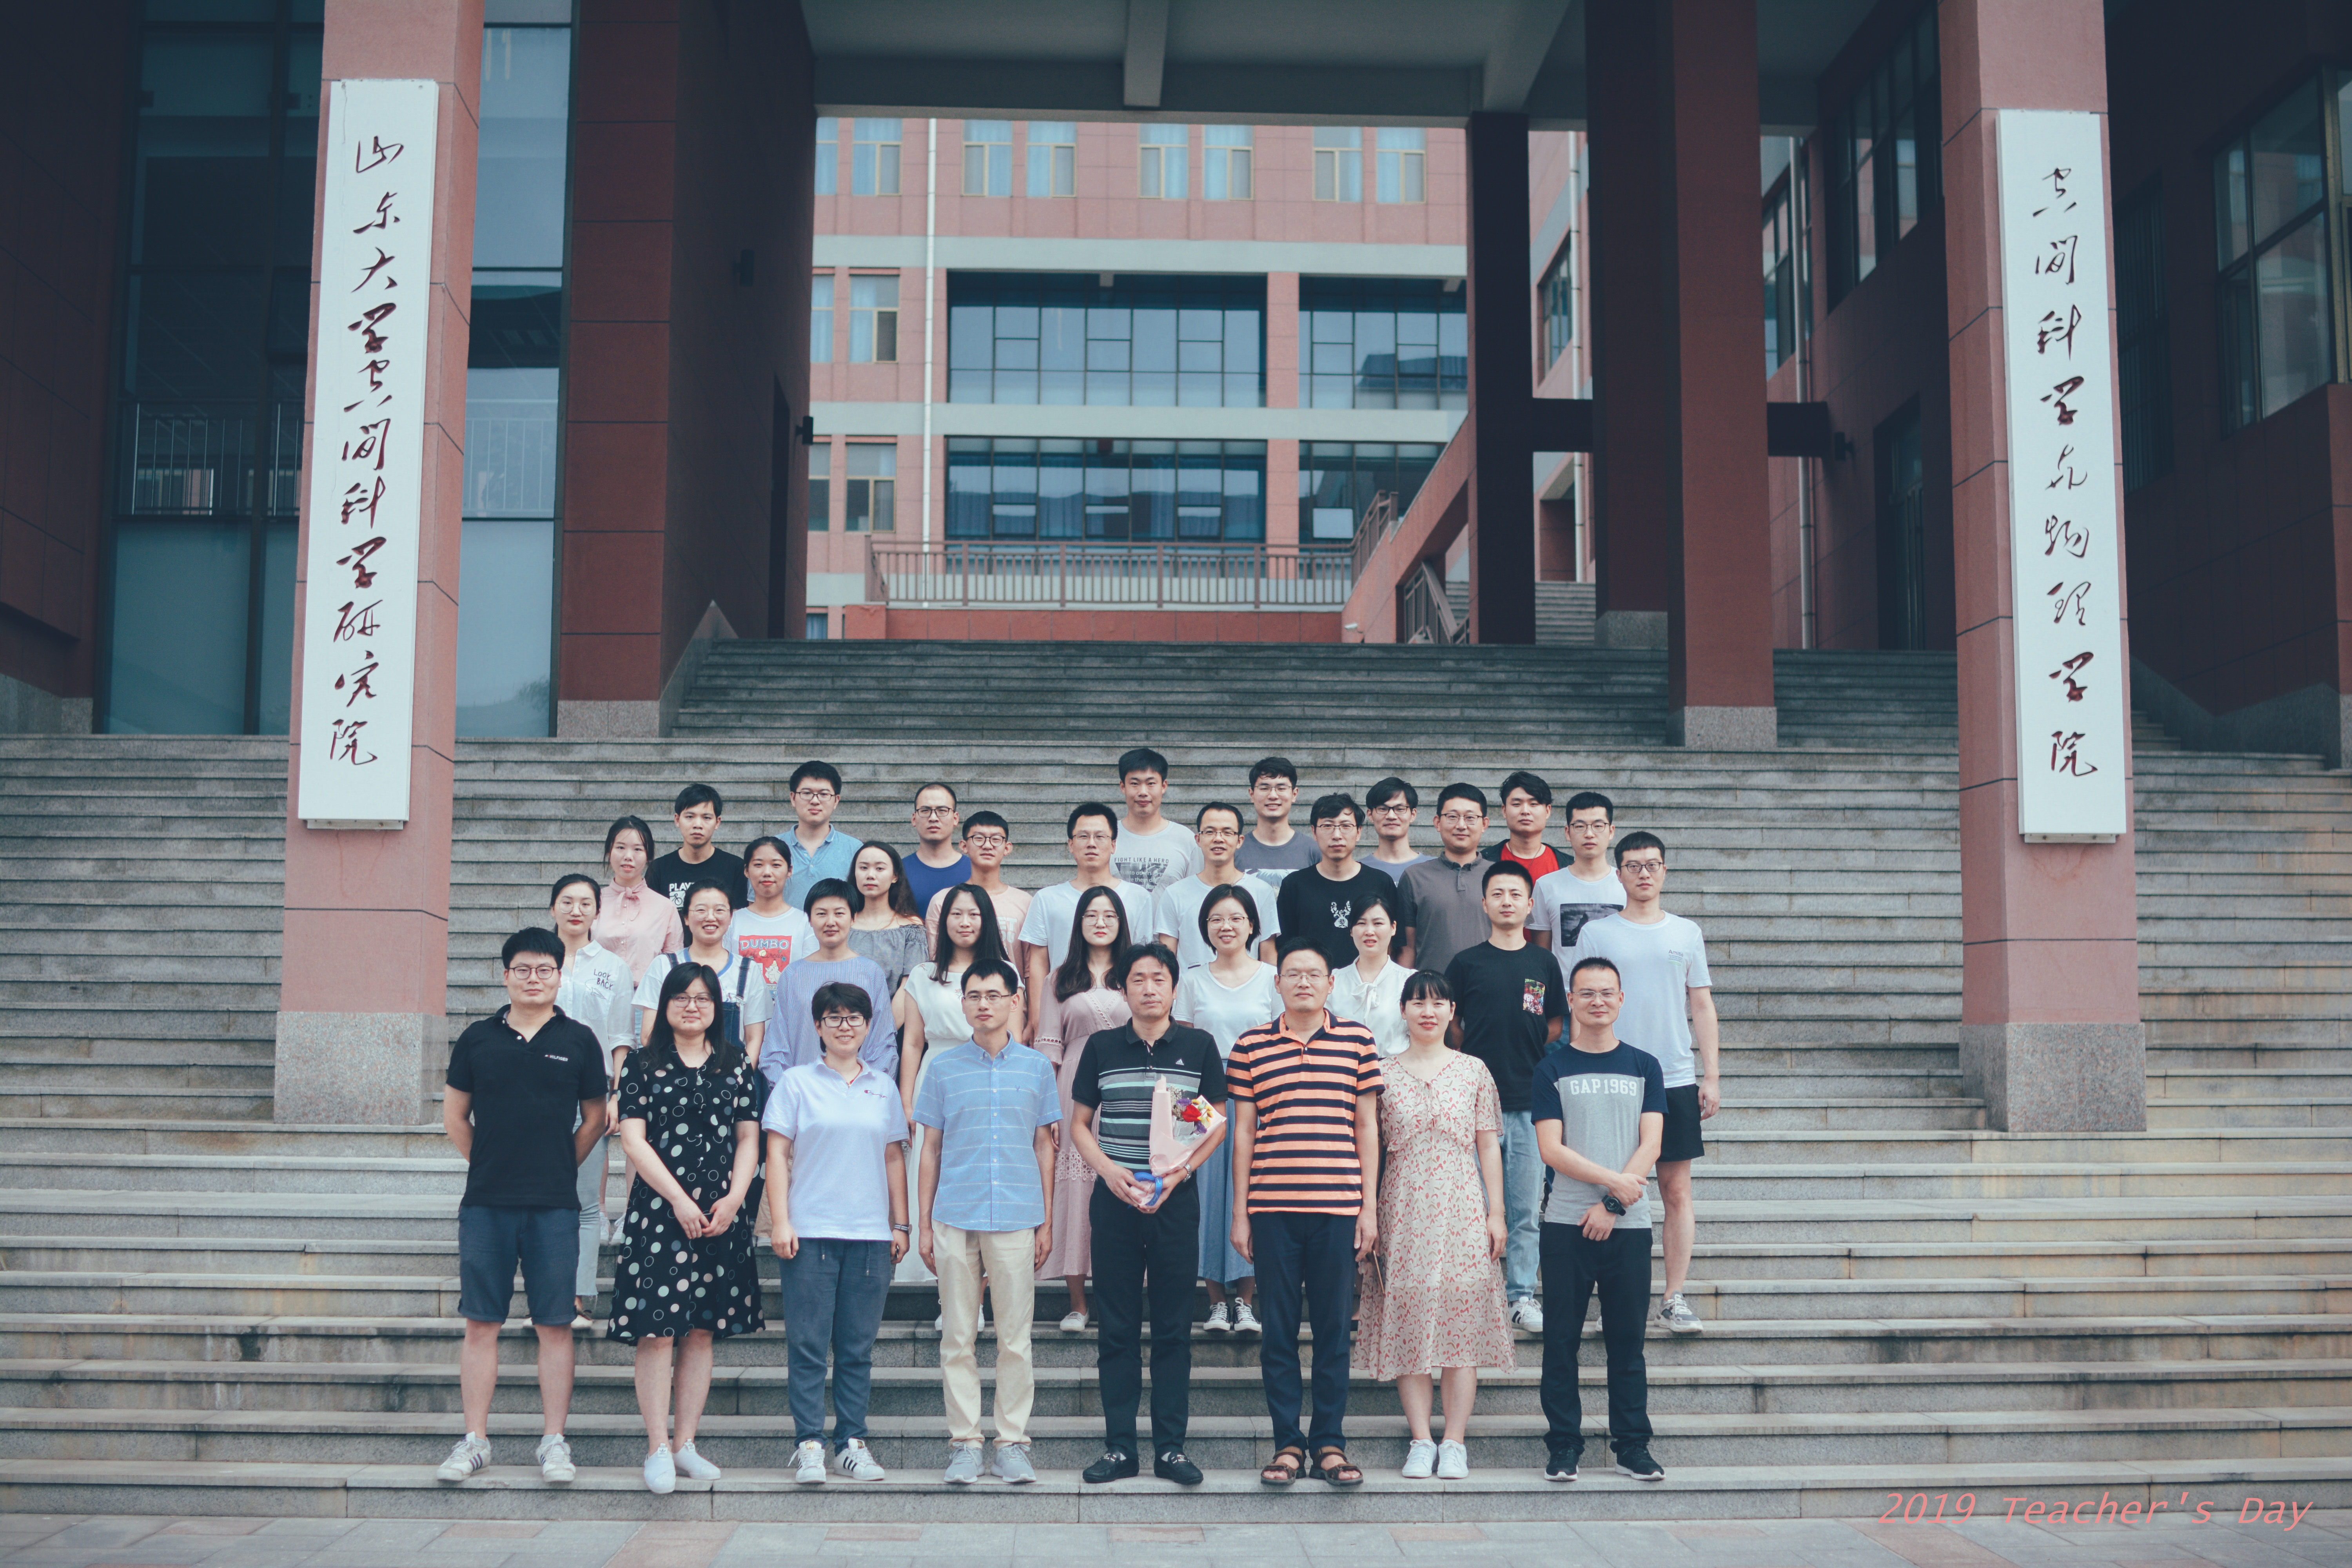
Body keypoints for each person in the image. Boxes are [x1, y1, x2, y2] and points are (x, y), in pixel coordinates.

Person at [435, 928, 608, 1486]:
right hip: (487, 1202)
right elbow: (455, 1117)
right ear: (505, 974)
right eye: (524, 969)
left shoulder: (579, 1039)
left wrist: (559, 1164)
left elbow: (596, 1118)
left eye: (545, 970)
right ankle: (475, 1440)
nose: (534, 979)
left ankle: (554, 1441)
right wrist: (489, 1162)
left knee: (555, 1324)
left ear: (560, 975)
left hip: (554, 1205)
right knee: (481, 1322)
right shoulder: (477, 1038)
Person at [1067, 941, 1227, 1487]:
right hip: (1115, 1202)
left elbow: (1213, 1122)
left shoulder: (1197, 1046)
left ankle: (1170, 1449)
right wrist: (1111, 1173)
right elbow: (1080, 1125)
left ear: (1175, 987)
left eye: (1159, 978)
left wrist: (1180, 1173)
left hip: (1175, 1202)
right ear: (1123, 988)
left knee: (1173, 1328)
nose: (1150, 988)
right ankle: (1119, 1448)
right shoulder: (1103, 1047)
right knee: (1116, 1327)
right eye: (1138, 979)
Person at [1227, 939, 1383, 1489]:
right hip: (1272, 1208)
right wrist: (1241, 1212)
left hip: (1338, 1208)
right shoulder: (1251, 1045)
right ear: (1277, 983)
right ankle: (1288, 1445)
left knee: (1335, 1330)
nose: (1303, 982)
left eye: (1314, 974)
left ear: (1331, 983)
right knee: (1279, 1331)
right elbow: (1244, 1133)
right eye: (1292, 973)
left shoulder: (1358, 1041)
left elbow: (1367, 1126)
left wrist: (1369, 1208)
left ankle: (1330, 1444)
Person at [608, 963, 766, 1493]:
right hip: (660, 1213)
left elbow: (749, 1137)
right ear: (666, 1004)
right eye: (681, 997)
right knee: (657, 1332)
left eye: (703, 998)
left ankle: (686, 1444)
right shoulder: (642, 1063)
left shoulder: (735, 1061)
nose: (692, 1006)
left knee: (701, 1330)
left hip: (722, 1212)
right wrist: (677, 1199)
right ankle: (657, 1445)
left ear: (718, 1007)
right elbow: (634, 1139)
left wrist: (736, 1198)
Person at [1354, 971, 1514, 1480]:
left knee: (1461, 1322)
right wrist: (1368, 1211)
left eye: (1438, 1003)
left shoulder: (1473, 1071)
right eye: (1418, 1003)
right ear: (1403, 1011)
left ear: (1451, 1012)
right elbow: (1370, 1145)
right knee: (1409, 1319)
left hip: (1462, 1204)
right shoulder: (1381, 1073)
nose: (1428, 1011)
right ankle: (1421, 1439)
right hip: (1402, 1206)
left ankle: (1455, 1442)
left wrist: (1496, 1212)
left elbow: (1488, 1143)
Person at [1562, 830, 1718, 1336]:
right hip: (1610, 1074)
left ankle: (1673, 1296)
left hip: (1673, 1075)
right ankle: (1609, 1298)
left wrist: (1711, 1074)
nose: (1644, 873)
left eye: (1653, 864)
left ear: (1665, 871)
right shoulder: (1598, 934)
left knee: (1676, 1189)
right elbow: (1581, 1002)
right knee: (1606, 1180)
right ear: (1620, 873)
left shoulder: (1686, 932)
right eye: (1634, 865)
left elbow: (1701, 1004)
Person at [915, 958, 1061, 1486]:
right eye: (974, 995)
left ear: (1015, 1000)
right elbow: (930, 1149)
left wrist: (1046, 1221)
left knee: (1015, 1338)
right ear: (963, 1003)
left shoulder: (1037, 1068)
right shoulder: (943, 1068)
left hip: (1018, 1214)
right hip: (956, 1213)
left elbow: (1045, 1145)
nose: (984, 1004)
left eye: (994, 995)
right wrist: (924, 1225)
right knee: (958, 1335)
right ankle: (965, 1443)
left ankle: (1012, 1442)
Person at [764, 980, 910, 1484]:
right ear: (818, 1026)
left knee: (856, 1348)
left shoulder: (883, 1086)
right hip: (810, 1233)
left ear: (868, 1027)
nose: (845, 1026)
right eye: (834, 1017)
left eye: (854, 1018)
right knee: (808, 1345)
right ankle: (809, 1443)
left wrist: (901, 1223)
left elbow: (893, 1156)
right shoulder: (796, 1083)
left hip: (870, 1235)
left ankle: (851, 1442)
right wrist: (781, 1220)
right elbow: (777, 1154)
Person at [1532, 955, 1667, 1483]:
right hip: (1566, 1224)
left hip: (1628, 1227)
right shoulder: (1552, 1068)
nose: (1598, 1001)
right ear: (1571, 1000)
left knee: (1627, 1344)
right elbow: (1551, 1149)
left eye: (1607, 992)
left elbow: (1651, 1143)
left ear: (1621, 999)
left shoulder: (1644, 1066)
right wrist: (1614, 1185)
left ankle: (1633, 1447)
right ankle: (1564, 1446)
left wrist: (1612, 1205)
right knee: (1561, 1342)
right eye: (1587, 993)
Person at [1442, 860, 1565, 1332]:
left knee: (1525, 1209)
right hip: (1475, 1106)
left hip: (1530, 1102)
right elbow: (1454, 1025)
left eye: (1516, 894)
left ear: (1530, 905)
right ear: (1484, 903)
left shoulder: (1543, 963)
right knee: (1473, 1208)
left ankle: (1521, 1296)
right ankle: (1476, 1293)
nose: (1507, 901)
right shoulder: (1466, 962)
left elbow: (1554, 1023)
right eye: (1498, 894)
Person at [894, 883, 1013, 1292]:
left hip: (990, 1078)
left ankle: (974, 1295)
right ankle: (937, 1281)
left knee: (980, 1176)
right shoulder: (924, 974)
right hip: (936, 1074)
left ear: (987, 920)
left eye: (974, 914)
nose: (965, 922)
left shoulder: (1004, 972)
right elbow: (913, 1042)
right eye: (956, 914)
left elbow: (1014, 1039)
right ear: (943, 922)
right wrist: (906, 1101)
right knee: (933, 1170)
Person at [1172, 882, 1278, 1336]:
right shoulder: (1192, 978)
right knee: (1208, 1194)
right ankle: (1216, 1300)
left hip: (1260, 1095)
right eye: (1216, 919)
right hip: (1204, 1097)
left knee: (1251, 1192)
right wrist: (1183, 1115)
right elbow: (1183, 1046)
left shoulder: (1272, 977)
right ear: (1205, 928)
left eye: (1236, 918)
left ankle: (1246, 1301)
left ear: (1252, 925)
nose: (1226, 926)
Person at [1033, 886, 1134, 1332]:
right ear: (1078, 923)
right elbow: (1048, 1050)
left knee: (1121, 1178)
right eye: (1091, 914)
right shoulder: (1060, 977)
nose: (1100, 922)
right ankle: (1077, 1302)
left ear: (1121, 923)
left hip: (1126, 1086)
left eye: (1109, 915)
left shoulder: (1134, 972)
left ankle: (1119, 1298)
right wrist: (1048, 1112)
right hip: (1073, 1088)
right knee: (1075, 1190)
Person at [549, 873, 634, 1326]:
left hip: (591, 1093)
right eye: (567, 901)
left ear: (598, 911)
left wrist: (616, 1094)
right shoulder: (537, 962)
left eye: (585, 902)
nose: (576, 910)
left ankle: (581, 1298)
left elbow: (621, 1037)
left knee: (584, 1202)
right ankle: (548, 1297)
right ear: (553, 908)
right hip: (540, 1091)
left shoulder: (613, 968)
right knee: (544, 1200)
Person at [1018, 802, 1156, 1038]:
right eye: (1083, 836)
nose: (1092, 843)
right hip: (1065, 1006)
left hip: (1122, 1007)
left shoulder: (1138, 897)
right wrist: (1037, 1017)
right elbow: (1038, 962)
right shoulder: (1047, 898)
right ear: (1071, 845)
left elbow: (1142, 957)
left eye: (1100, 837)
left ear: (1114, 845)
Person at [760, 880, 898, 1093]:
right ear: (810, 919)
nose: (831, 922)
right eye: (822, 914)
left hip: (858, 1095)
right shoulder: (792, 975)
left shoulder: (871, 973)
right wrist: (789, 1092)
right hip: (802, 1095)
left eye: (839, 913)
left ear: (853, 918)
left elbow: (883, 1044)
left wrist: (865, 1092)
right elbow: (777, 1045)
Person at [635, 881, 771, 1055]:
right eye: (701, 910)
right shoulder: (664, 966)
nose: (711, 917)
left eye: (719, 910)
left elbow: (755, 1039)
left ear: (731, 917)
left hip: (731, 1071)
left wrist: (740, 1073)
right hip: (672, 1070)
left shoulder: (748, 970)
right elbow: (648, 1036)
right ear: (686, 917)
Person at [1272, 793, 1396, 973]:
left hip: (1369, 983)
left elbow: (1394, 945)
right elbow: (1285, 946)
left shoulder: (1381, 883)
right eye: (1328, 826)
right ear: (1314, 832)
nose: (1337, 835)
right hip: (1312, 983)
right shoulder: (1294, 885)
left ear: (1359, 832)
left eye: (1346, 826)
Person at [1153, 801, 1284, 971]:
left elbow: (1268, 956)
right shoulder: (1175, 894)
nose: (1218, 839)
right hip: (1191, 987)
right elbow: (1167, 961)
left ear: (1240, 841)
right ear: (1198, 839)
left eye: (1228, 832)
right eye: (1210, 832)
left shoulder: (1261, 891)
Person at [1397, 783, 1494, 975]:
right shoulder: (1415, 877)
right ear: (1437, 823)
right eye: (1452, 817)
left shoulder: (1500, 876)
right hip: (1432, 990)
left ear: (1484, 824)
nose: (1461, 825)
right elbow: (1408, 949)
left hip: (1488, 986)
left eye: (1470, 818)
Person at [923, 810, 1031, 953]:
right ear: (964, 846)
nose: (987, 846)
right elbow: (935, 957)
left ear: (1007, 848)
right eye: (979, 838)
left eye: (996, 839)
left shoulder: (1025, 903)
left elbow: (1031, 963)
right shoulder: (942, 901)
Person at [1529, 791, 1625, 951]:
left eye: (1598, 826)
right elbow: (1542, 956)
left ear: (1611, 831)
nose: (1589, 834)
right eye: (1580, 826)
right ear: (1568, 833)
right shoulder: (1546, 886)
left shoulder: (1626, 885)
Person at [593, 815, 682, 984]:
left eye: (638, 849)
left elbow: (673, 965)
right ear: (609, 852)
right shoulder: (593, 902)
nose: (628, 856)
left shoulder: (665, 907)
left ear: (648, 856)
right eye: (620, 847)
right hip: (598, 994)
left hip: (647, 996)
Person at [1111, 746, 1203, 895]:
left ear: (1164, 786)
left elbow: (1196, 895)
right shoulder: (1106, 837)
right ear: (1123, 787)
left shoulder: (1186, 840)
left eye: (1151, 784)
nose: (1143, 792)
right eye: (1135, 784)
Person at [846, 841, 931, 1000]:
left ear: (895, 876)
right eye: (864, 868)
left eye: (880, 869)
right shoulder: (843, 924)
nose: (870, 875)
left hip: (895, 1014)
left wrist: (886, 1018)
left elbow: (910, 986)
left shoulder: (911, 928)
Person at [1330, 889, 1409, 1056]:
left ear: (1393, 928)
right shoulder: (1333, 982)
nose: (1369, 931)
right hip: (1344, 1068)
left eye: (1378, 923)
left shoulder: (1410, 981)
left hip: (1396, 1070)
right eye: (1361, 923)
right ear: (1351, 930)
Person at [647, 784, 746, 916]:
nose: (698, 825)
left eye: (706, 818)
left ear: (717, 822)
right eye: (690, 817)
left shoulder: (736, 868)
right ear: (677, 820)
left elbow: (739, 919)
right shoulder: (658, 869)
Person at [728, 835, 812, 988]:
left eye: (776, 865)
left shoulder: (806, 922)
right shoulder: (731, 922)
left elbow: (810, 977)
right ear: (747, 871)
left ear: (790, 870)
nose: (767, 872)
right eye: (758, 865)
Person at [1235, 755, 1315, 905]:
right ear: (1252, 794)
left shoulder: (1314, 851)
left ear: (1294, 794)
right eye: (1264, 788)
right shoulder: (1235, 851)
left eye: (1281, 788)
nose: (1273, 795)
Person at [780, 761, 860, 909]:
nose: (815, 801)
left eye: (824, 794)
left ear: (836, 801)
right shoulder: (772, 848)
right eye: (807, 793)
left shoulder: (856, 850)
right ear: (793, 798)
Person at [903, 782, 971, 914]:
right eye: (925, 811)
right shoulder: (897, 871)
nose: (933, 818)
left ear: (955, 818)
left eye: (942, 811)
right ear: (914, 819)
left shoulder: (974, 870)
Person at [1483, 770, 1561, 880]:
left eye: (1533, 804)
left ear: (1548, 811)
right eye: (1517, 804)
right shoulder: (1484, 862)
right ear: (1504, 811)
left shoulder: (1567, 865)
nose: (1525, 811)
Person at [1365, 777, 1429, 875]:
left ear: (1413, 815)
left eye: (1400, 809)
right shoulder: (1358, 871)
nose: (1391, 816)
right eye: (1383, 809)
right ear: (1370, 815)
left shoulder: (1433, 869)